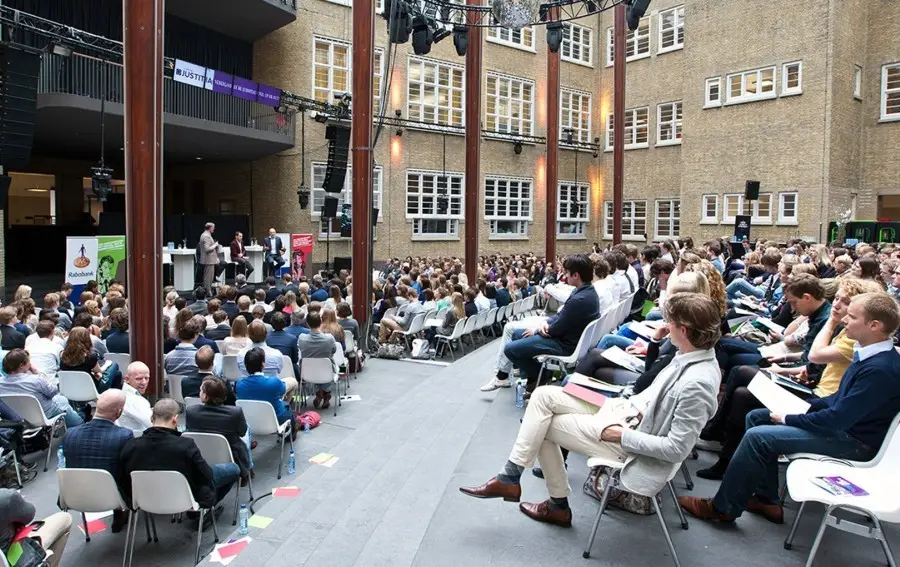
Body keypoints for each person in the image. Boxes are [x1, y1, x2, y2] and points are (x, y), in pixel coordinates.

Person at [460, 293, 722, 527]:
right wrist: (654, 344)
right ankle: (512, 477)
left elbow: (677, 449)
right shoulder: (689, 355)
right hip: (622, 409)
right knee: (542, 396)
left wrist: (622, 435)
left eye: (670, 323)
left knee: (542, 426)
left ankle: (553, 502)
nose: (665, 326)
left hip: (627, 435)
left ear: (684, 330)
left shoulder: (697, 383)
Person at [680, 292, 900, 525]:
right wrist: (795, 407)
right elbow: (836, 401)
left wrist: (789, 418)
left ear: (875, 326)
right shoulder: (872, 356)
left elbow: (838, 418)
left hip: (853, 442)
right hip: (844, 431)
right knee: (757, 417)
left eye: (853, 317)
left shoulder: (880, 370)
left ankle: (721, 508)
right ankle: (766, 499)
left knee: (758, 437)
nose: (844, 319)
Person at [483, 255, 601, 393]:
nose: (565, 276)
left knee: (509, 349)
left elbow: (557, 329)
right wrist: (545, 322)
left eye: (567, 273)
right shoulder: (587, 292)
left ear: (576, 275)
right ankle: (533, 379)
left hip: (564, 345)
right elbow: (560, 316)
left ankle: (542, 374)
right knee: (516, 334)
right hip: (568, 338)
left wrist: (538, 330)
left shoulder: (579, 299)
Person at [118, 399, 241, 522]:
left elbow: (124, 478)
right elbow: (206, 475)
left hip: (145, 499)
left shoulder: (131, 446)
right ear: (175, 419)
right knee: (233, 469)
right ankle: (203, 510)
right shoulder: (186, 445)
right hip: (185, 498)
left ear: (151, 418)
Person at [62, 390, 133, 532]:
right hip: (113, 498)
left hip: (75, 495)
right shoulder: (124, 435)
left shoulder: (70, 433)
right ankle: (121, 514)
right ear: (119, 412)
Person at [186, 377, 252, 483]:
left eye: (201, 390)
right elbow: (242, 432)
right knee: (247, 429)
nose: (199, 392)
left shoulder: (191, 411)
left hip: (200, 455)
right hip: (231, 457)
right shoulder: (235, 412)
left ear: (205, 396)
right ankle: (248, 469)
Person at [0, 349, 82, 427]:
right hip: (44, 414)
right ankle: (79, 424)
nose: (30, 364)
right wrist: (36, 372)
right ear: (21, 365)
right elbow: (53, 391)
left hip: (19, 416)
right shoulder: (35, 380)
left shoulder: (1, 383)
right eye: (29, 362)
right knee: (62, 400)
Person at [235, 348, 298, 437]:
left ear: (245, 366)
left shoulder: (239, 384)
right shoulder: (274, 382)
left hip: (250, 420)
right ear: (263, 364)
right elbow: (283, 390)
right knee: (287, 402)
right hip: (276, 420)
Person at [0, 489, 72, 567]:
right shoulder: (6, 498)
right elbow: (29, 514)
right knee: (65, 518)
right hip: (15, 557)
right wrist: (17, 501)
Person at [61, 327, 121, 392]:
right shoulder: (90, 356)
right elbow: (99, 371)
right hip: (91, 389)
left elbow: (76, 370)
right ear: (86, 339)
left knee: (118, 374)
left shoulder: (63, 356)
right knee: (114, 365)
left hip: (70, 388)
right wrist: (108, 364)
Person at [298, 311, 337, 410]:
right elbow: (334, 350)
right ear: (320, 322)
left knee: (316, 366)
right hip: (327, 371)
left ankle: (319, 392)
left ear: (307, 324)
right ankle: (326, 392)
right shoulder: (329, 338)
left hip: (307, 373)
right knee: (328, 364)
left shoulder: (302, 338)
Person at [117, 362, 152, 432]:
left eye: (146, 378)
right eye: (139, 379)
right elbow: (154, 426)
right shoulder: (136, 400)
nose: (144, 382)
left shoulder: (121, 395)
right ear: (127, 379)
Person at [266, 312, 299, 377]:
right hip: (287, 372)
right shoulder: (292, 338)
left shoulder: (265, 337)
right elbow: (295, 359)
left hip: (270, 372)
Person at [199, 222, 222, 292]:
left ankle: (207, 291)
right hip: (208, 260)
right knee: (208, 277)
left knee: (208, 277)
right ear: (210, 228)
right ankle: (207, 291)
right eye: (213, 228)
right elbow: (207, 249)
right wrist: (215, 245)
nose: (214, 229)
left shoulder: (205, 234)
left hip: (209, 260)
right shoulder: (206, 236)